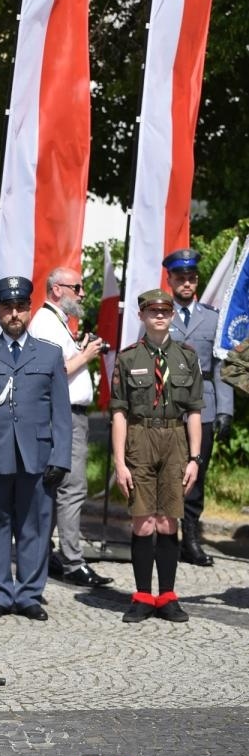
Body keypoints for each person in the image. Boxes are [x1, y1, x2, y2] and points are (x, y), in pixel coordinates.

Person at [0, 276, 72, 622]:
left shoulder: (50, 354)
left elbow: (61, 412)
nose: (14, 314)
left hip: (37, 455)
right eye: (7, 308)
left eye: (21, 307)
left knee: (35, 525)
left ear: (29, 309)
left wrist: (61, 457)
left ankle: (29, 594)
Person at [110, 289, 204, 624]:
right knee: (143, 519)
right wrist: (119, 463)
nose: (160, 316)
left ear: (173, 315)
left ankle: (167, 596)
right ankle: (141, 596)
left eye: (165, 310)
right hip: (140, 437)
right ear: (142, 316)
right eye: (153, 311)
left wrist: (195, 458)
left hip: (176, 439)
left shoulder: (187, 357)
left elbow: (194, 410)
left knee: (168, 520)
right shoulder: (128, 358)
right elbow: (119, 412)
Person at [28, 268, 112, 588]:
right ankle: (72, 560)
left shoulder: (55, 322)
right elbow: (54, 372)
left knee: (54, 487)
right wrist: (87, 354)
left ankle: (46, 554)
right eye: (76, 288)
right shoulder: (46, 322)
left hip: (66, 414)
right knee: (72, 487)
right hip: (62, 415)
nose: (82, 294)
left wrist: (80, 347)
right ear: (56, 290)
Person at [163, 248, 234, 567]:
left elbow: (221, 366)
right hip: (164, 407)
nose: (187, 283)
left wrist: (225, 409)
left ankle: (190, 540)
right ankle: (164, 536)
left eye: (191, 278)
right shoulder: (159, 314)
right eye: (181, 278)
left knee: (196, 473)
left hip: (203, 404)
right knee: (165, 472)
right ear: (170, 280)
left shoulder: (213, 318)